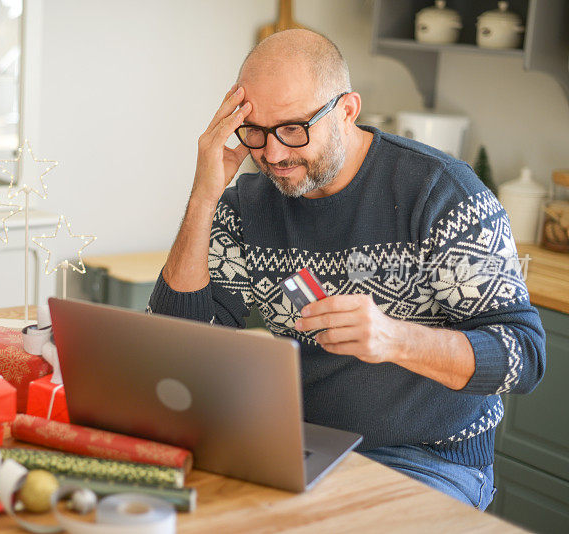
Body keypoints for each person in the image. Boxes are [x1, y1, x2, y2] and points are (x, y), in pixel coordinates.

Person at [148, 29, 545, 511]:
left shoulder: (441, 194)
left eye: (293, 129)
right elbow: (177, 345)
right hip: (296, 448)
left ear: (347, 110)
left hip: (430, 460)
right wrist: (203, 196)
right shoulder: (246, 206)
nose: (272, 155)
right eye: (255, 131)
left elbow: (523, 355)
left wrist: (395, 339)